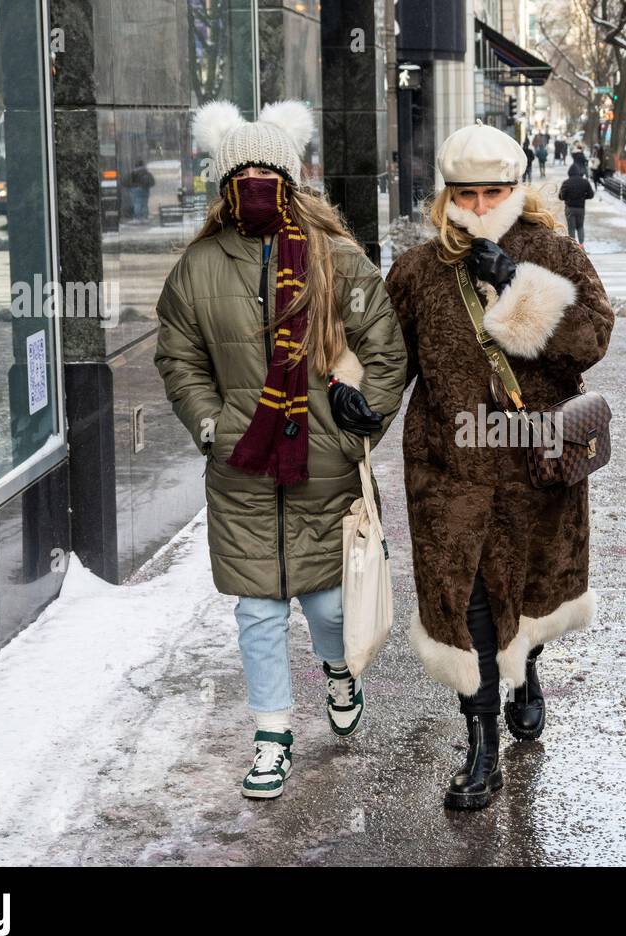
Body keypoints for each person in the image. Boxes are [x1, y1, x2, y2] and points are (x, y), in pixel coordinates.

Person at [155, 99, 407, 800]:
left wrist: (360, 423)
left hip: (323, 467)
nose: (257, 182)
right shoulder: (199, 265)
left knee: (327, 603)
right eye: (244, 172)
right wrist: (211, 422)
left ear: (291, 178)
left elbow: (385, 348)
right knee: (258, 610)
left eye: (271, 170)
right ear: (223, 182)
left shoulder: (338, 259)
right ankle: (271, 734)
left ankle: (337, 666)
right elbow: (178, 356)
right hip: (241, 469)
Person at [384, 119, 615, 812]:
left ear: (518, 188)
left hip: (535, 469)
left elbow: (591, 340)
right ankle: (481, 745)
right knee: (471, 609)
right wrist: (349, 415)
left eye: (494, 193)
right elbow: (385, 362)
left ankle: (529, 673)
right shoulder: (421, 270)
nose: (480, 207)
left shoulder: (556, 255)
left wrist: (519, 287)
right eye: (467, 194)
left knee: (532, 594)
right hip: (449, 471)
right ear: (447, 196)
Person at [558, 161, 595, 247]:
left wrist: (567, 197)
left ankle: (573, 245)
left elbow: (561, 196)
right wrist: (583, 197)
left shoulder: (566, 182)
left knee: (571, 228)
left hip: (569, 208)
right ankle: (581, 244)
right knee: (580, 226)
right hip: (581, 208)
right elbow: (591, 195)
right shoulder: (585, 182)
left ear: (569, 173)